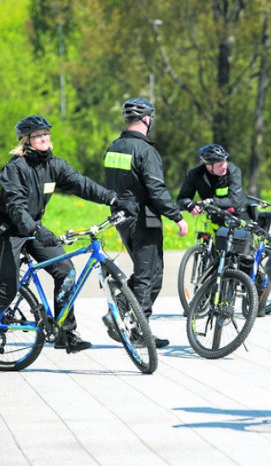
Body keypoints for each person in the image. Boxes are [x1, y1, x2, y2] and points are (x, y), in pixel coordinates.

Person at [0, 115, 135, 373]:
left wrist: (113, 200)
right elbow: (15, 208)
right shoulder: (14, 169)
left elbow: (81, 184)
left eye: (47, 134)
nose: (45, 139)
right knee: (7, 289)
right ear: (26, 141)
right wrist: (37, 230)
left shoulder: (53, 165)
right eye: (39, 136)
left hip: (33, 229)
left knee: (66, 272)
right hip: (8, 234)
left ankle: (65, 334)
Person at [102, 97, 188, 348]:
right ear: (146, 120)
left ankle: (126, 316)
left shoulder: (114, 147)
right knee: (148, 274)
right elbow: (156, 189)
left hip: (122, 218)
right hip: (144, 219)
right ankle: (132, 325)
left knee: (146, 272)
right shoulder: (145, 151)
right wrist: (177, 217)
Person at [176, 143, 248, 221]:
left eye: (225, 162)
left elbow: (234, 201)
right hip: (214, 216)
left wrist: (208, 202)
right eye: (220, 165)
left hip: (238, 215)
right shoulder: (195, 174)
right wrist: (189, 204)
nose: (224, 166)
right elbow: (181, 199)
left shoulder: (233, 171)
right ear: (209, 166)